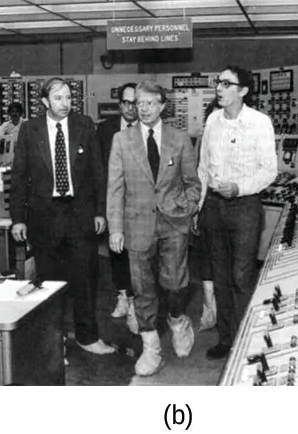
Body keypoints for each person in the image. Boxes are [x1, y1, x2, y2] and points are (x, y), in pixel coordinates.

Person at [11, 77, 117, 363]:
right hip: (43, 218)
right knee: (47, 283)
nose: (65, 103)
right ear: (45, 101)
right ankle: (53, 341)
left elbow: (98, 171)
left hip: (80, 215)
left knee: (85, 280)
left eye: (69, 97)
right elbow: (19, 176)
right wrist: (17, 219)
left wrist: (99, 212)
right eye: (58, 98)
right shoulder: (29, 130)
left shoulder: (84, 126)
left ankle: (88, 337)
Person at [107, 81, 202, 376]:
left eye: (150, 103)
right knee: (142, 289)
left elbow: (193, 184)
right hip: (136, 225)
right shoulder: (122, 140)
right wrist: (116, 229)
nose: (143, 108)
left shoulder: (179, 138)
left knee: (175, 283)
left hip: (173, 224)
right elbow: (115, 189)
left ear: (162, 106)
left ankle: (177, 320)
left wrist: (183, 211)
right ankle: (151, 348)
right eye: (139, 103)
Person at [197, 66, 278, 360]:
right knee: (219, 277)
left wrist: (239, 188)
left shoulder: (260, 122)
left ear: (243, 91)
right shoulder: (211, 122)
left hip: (245, 207)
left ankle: (246, 340)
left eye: (226, 83)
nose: (219, 87)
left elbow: (270, 171)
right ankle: (227, 338)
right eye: (218, 81)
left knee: (242, 276)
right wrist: (200, 206)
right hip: (214, 208)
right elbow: (203, 168)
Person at [97, 83, 140, 333]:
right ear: (119, 105)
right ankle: (123, 296)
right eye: (126, 103)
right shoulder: (105, 131)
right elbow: (98, 170)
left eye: (135, 102)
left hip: (140, 207)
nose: (131, 108)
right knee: (117, 254)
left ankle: (136, 304)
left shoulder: (148, 130)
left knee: (138, 256)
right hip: (114, 204)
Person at [194, 98, 222, 332]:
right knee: (206, 259)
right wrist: (197, 209)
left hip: (232, 207)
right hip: (208, 206)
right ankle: (208, 306)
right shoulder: (202, 143)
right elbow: (198, 176)